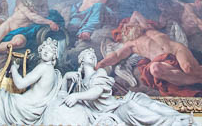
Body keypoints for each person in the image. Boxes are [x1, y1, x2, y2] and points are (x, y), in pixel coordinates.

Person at [98, 12, 202, 95]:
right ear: (124, 35)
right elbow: (116, 56)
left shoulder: (146, 28)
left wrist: (130, 23)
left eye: (128, 25)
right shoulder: (130, 44)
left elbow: (136, 14)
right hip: (162, 61)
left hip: (176, 49)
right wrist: (100, 64)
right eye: (124, 29)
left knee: (188, 67)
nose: (127, 27)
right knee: (154, 69)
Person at [48, 47, 193, 126]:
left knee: (148, 103)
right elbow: (61, 97)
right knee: (134, 107)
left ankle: (179, 118)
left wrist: (77, 96)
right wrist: (66, 77)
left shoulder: (99, 74)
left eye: (93, 55)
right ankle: (174, 123)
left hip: (118, 105)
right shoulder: (78, 81)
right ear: (81, 60)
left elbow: (96, 91)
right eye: (88, 55)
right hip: (117, 112)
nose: (92, 56)